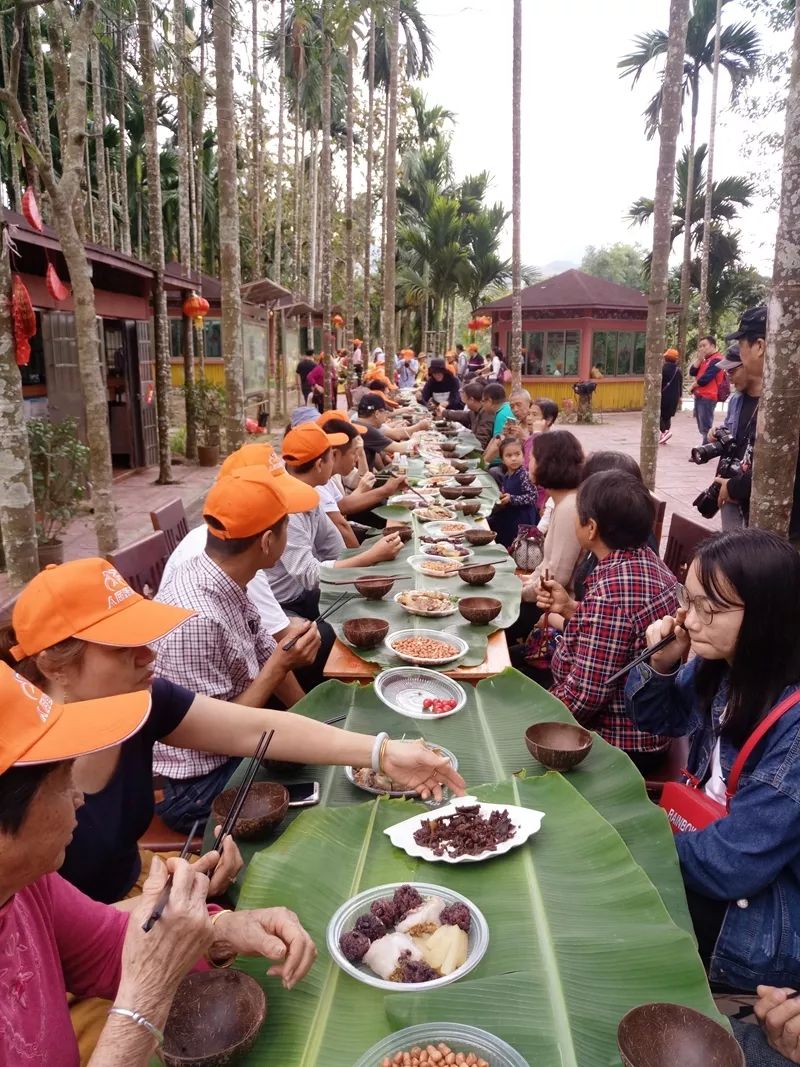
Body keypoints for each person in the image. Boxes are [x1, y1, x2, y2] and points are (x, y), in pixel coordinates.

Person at [0, 559, 465, 910]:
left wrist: (382, 753)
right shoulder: (19, 768)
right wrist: (169, 903)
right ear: (53, 664)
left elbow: (258, 729)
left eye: (145, 640)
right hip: (82, 952)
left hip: (144, 889)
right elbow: (38, 934)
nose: (149, 657)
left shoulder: (139, 700)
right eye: (124, 648)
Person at [0, 663, 317, 1067]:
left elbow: (103, 946)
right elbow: (139, 973)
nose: (79, 796)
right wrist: (145, 993)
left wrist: (224, 929)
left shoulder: (27, 884)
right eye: (61, 782)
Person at [627, 529, 800, 992]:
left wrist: (633, 849)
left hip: (763, 918)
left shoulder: (794, 726)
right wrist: (663, 662)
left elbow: (734, 863)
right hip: (703, 843)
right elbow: (654, 718)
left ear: (767, 617)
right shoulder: (720, 666)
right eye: (689, 598)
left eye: (710, 608)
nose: (689, 618)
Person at [152, 467, 324, 832]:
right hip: (197, 787)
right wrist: (280, 665)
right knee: (323, 807)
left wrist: (314, 723)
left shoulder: (228, 576)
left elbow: (265, 650)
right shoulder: (197, 617)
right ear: (266, 542)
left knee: (323, 757)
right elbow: (220, 733)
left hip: (228, 749)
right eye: (286, 527)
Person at [535, 470, 678, 768]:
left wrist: (530, 714)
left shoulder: (611, 594)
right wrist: (571, 608)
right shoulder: (645, 561)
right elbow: (613, 638)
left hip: (620, 742)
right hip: (647, 729)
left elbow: (583, 697)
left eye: (578, 513)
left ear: (591, 528)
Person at [265, 421, 404, 617]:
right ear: (320, 464)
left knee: (375, 604)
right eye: (331, 455)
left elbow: (332, 543)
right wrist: (371, 556)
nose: (335, 459)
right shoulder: (290, 507)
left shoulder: (309, 493)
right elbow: (309, 575)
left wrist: (365, 567)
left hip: (306, 592)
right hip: (285, 604)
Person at [520, 430, 585, 595]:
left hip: (558, 607)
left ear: (547, 463)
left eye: (532, 457)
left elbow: (556, 577)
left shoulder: (569, 507)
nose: (528, 462)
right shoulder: (561, 501)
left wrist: (518, 596)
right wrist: (528, 581)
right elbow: (547, 562)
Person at [706, 343, 760, 531]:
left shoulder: (775, 403)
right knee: (731, 542)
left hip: (751, 486)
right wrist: (716, 433)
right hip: (729, 479)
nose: (728, 378)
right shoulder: (737, 399)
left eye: (732, 371)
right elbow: (731, 432)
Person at [487, 437, 539, 550]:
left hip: (523, 519)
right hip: (511, 515)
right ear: (502, 459)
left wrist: (512, 499)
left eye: (517, 454)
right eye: (509, 455)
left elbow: (533, 496)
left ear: (523, 455)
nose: (514, 458)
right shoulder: (507, 475)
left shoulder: (523, 475)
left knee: (519, 546)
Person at [689, 335, 724, 445]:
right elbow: (692, 372)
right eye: (700, 346)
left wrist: (693, 385)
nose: (701, 348)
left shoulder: (717, 360)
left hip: (708, 396)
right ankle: (706, 446)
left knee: (705, 425)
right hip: (700, 395)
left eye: (704, 346)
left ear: (712, 346)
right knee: (701, 425)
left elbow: (706, 378)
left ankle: (706, 449)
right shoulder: (705, 360)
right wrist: (699, 359)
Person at [439, 380, 495, 449]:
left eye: (465, 399)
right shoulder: (475, 412)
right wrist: (444, 412)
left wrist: (453, 446)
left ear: (471, 399)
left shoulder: (486, 414)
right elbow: (462, 415)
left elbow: (480, 443)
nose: (465, 403)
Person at [660, 347, 683, 444]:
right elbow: (680, 385)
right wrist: (680, 397)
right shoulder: (678, 371)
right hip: (674, 398)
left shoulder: (663, 369)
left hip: (663, 396)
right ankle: (665, 433)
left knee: (659, 415)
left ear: (665, 358)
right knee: (667, 416)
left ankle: (664, 433)